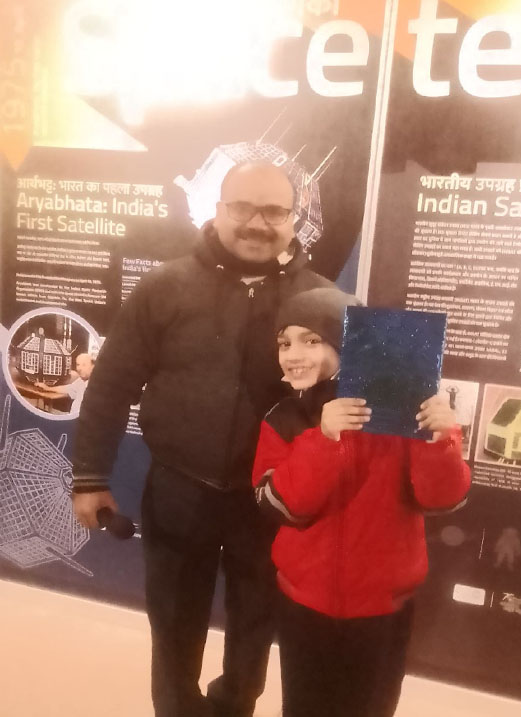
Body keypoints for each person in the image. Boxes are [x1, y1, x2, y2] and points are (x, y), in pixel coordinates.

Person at [70, 162, 333, 717]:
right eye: (243, 208)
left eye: (275, 211)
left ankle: (234, 707)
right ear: (217, 209)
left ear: (295, 219)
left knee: (256, 623)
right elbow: (111, 385)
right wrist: (90, 477)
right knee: (172, 620)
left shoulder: (323, 301)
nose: (257, 223)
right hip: (178, 489)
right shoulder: (163, 287)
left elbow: (354, 400)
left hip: (271, 498)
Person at [252, 288, 471, 717]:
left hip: (382, 609)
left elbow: (443, 500)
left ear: (347, 344)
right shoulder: (284, 418)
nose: (293, 354)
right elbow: (279, 505)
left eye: (312, 340)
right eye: (284, 342)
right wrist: (324, 440)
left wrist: (440, 440)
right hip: (304, 606)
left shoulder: (401, 416)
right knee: (304, 708)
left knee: (371, 709)